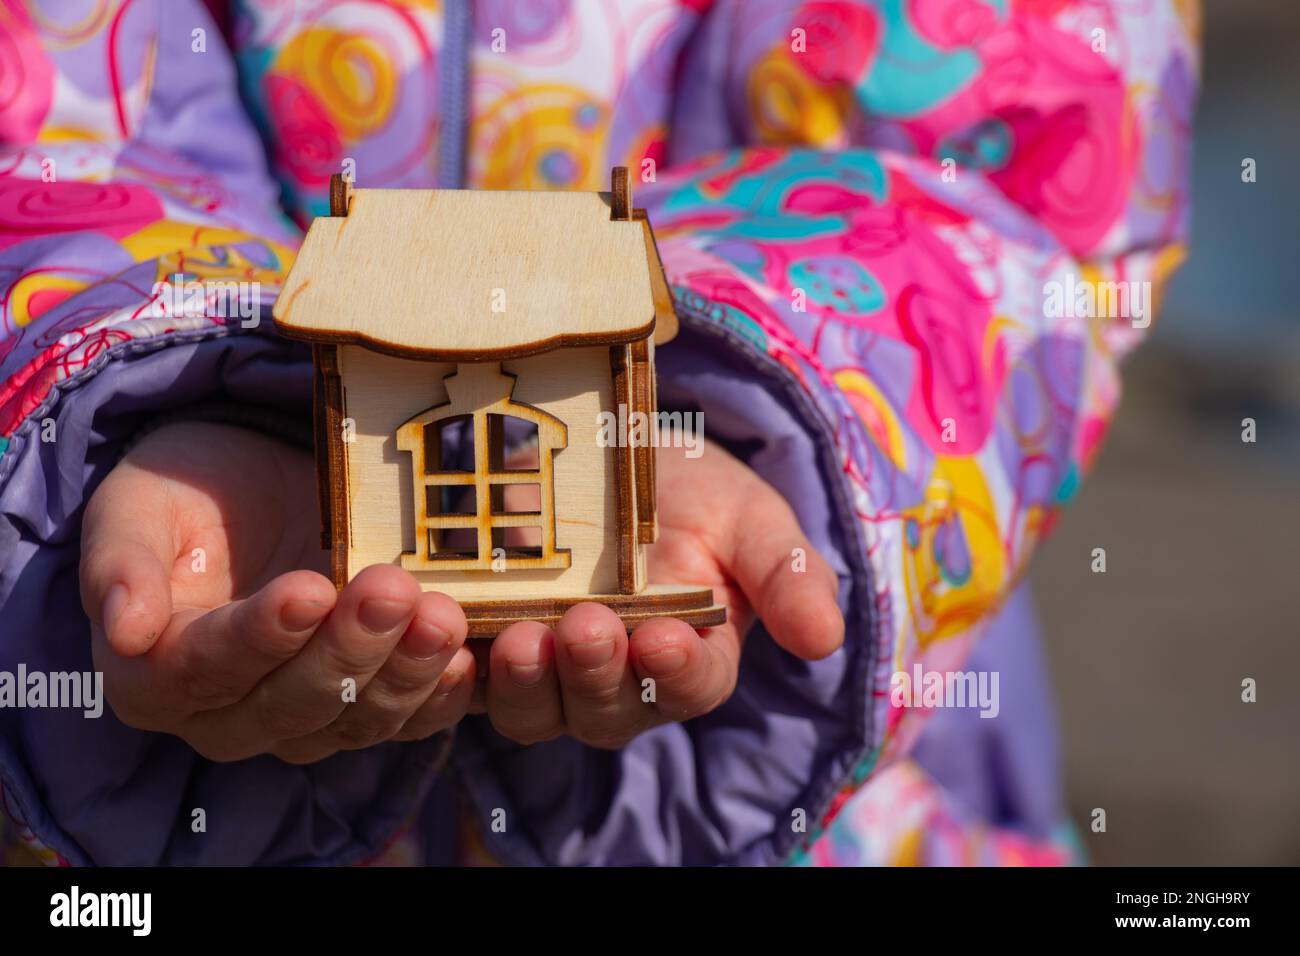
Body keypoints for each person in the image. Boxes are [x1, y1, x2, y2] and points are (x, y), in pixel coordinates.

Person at [0, 0, 1198, 866]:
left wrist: (752, 408)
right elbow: (43, 128)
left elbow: (1012, 172)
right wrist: (158, 395)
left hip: (838, 798)